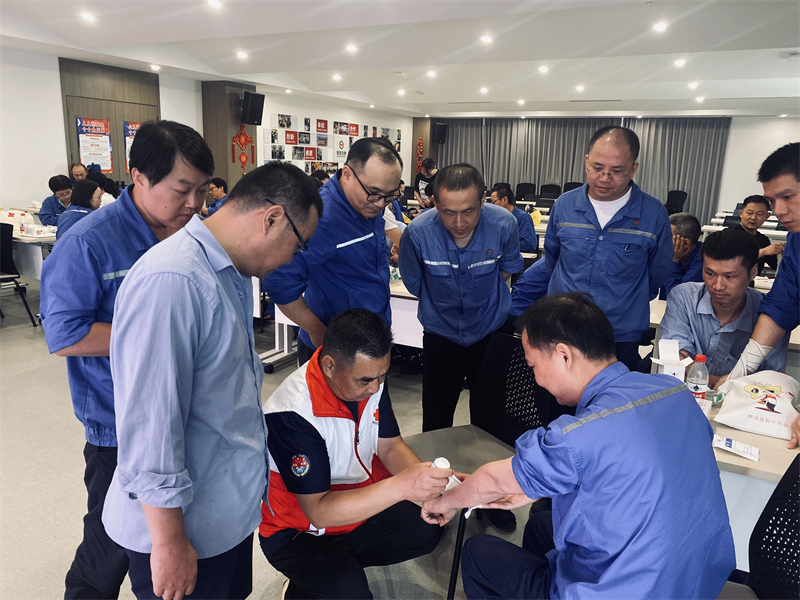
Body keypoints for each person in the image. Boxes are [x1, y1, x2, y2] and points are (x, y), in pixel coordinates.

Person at [421, 293, 736, 600]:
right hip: (697, 579)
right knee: (542, 525)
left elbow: (492, 480)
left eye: (533, 366)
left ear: (564, 355)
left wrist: (444, 502)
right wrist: (533, 488)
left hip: (632, 589)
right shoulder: (674, 391)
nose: (536, 379)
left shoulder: (579, 434)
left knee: (478, 553)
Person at [103, 162, 321, 600]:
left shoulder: (228, 273)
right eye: (298, 246)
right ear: (272, 219)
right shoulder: (174, 280)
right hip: (182, 531)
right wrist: (168, 542)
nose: (291, 260)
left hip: (220, 514)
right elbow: (151, 426)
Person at [40, 120, 214, 600]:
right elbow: (64, 334)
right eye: (182, 189)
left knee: (165, 535)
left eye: (202, 190)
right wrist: (154, 335)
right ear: (138, 177)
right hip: (118, 422)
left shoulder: (190, 233)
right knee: (111, 541)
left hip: (181, 414)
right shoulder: (89, 241)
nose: (195, 204)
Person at [259, 308, 446, 600]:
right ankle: (305, 587)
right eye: (366, 380)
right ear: (330, 365)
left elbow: (390, 446)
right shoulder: (292, 413)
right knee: (351, 594)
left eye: (382, 376)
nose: (375, 388)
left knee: (426, 530)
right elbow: (319, 512)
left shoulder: (369, 378)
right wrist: (404, 485)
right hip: (299, 531)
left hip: (357, 505)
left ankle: (336, 574)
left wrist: (431, 486)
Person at [399, 163, 523, 432]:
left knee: (491, 421)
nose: (459, 223)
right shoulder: (417, 233)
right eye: (448, 212)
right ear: (435, 202)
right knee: (436, 420)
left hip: (490, 330)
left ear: (483, 199)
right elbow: (414, 282)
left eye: (468, 211)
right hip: (441, 334)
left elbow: (508, 269)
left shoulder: (504, 224)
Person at [265, 137, 403, 366]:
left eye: (389, 196)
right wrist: (316, 330)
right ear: (347, 174)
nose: (380, 204)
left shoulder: (368, 205)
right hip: (335, 349)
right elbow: (279, 281)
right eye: (374, 193)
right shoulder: (320, 218)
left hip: (372, 339)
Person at [544, 125, 673, 370]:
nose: (604, 178)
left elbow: (658, 273)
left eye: (617, 171)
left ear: (633, 168)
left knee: (614, 394)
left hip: (620, 334)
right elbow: (553, 258)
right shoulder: (564, 206)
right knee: (559, 394)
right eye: (597, 168)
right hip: (564, 328)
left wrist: (627, 298)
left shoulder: (653, 214)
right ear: (586, 161)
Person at [721, 142, 800, 449]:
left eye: (788, 196)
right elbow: (783, 304)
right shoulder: (796, 240)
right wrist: (738, 373)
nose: (778, 211)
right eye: (772, 200)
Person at [661, 228, 789, 388]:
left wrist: (699, 376)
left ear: (753, 272)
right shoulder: (683, 297)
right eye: (710, 273)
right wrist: (733, 382)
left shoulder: (772, 315)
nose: (718, 285)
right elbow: (676, 362)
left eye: (730, 276)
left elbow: (769, 381)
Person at [727, 194, 784, 275]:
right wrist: (762, 252)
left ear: (767, 216)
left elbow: (777, 266)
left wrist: (785, 251)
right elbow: (729, 261)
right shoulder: (728, 235)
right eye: (750, 213)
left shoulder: (763, 240)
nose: (754, 218)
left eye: (759, 214)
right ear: (741, 213)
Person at [660, 211, 704, 299]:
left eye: (667, 237)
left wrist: (674, 261)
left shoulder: (702, 262)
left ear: (685, 243)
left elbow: (677, 298)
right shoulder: (681, 255)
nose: (661, 241)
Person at [490, 184, 537, 253]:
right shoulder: (495, 218)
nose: (492, 205)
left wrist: (503, 247)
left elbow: (528, 245)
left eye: (494, 202)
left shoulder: (523, 217)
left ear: (505, 200)